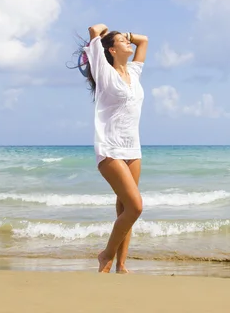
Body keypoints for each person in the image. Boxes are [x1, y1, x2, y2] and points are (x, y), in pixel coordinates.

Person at [79, 23, 149, 273]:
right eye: (121, 42)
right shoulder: (104, 72)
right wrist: (99, 33)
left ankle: (120, 265)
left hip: (133, 148)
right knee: (135, 207)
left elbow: (144, 41)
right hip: (109, 148)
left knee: (123, 208)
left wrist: (127, 35)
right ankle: (106, 255)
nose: (128, 43)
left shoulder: (134, 72)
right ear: (110, 50)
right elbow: (93, 33)